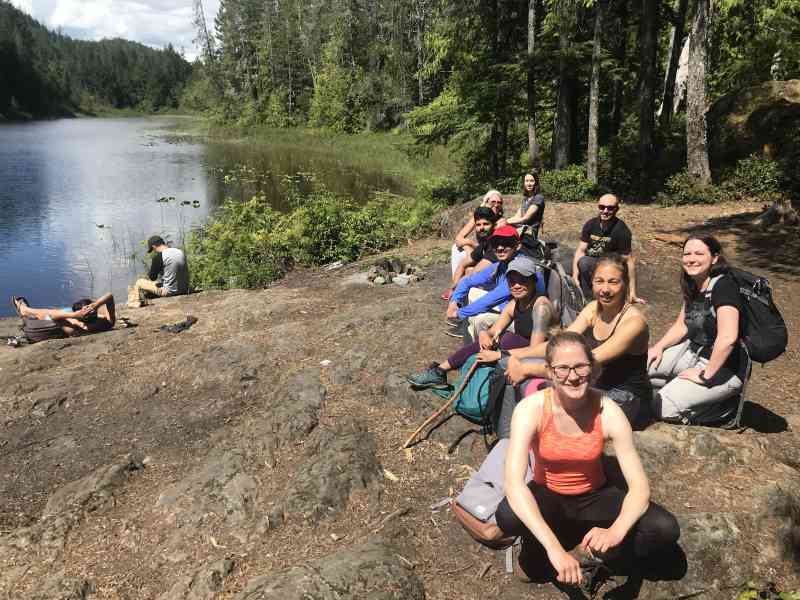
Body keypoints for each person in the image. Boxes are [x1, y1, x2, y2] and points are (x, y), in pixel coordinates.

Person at [495, 331, 680, 586]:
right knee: (507, 515)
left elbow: (639, 488)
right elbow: (514, 484)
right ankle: (549, 544)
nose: (572, 376)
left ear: (592, 368)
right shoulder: (531, 409)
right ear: (549, 371)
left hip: (594, 495)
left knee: (664, 528)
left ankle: (591, 554)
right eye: (563, 368)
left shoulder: (608, 410)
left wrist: (615, 532)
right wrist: (553, 549)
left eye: (581, 366)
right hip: (550, 494)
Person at [506, 254, 651, 424]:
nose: (605, 289)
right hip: (595, 384)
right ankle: (512, 439)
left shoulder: (634, 323)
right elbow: (559, 344)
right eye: (599, 281)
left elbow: (585, 365)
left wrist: (526, 368)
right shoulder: (593, 309)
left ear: (625, 283)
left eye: (613, 282)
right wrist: (511, 354)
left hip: (625, 398)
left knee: (542, 392)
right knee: (527, 379)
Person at [408, 255, 553, 389]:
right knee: (489, 340)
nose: (516, 285)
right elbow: (494, 330)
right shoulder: (515, 303)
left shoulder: (541, 306)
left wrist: (499, 355)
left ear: (534, 281)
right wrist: (484, 334)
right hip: (522, 348)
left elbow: (537, 350)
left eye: (522, 280)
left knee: (508, 340)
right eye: (512, 281)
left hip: (543, 356)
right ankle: (440, 370)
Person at [648, 235, 744, 424]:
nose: (691, 259)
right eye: (687, 254)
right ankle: (684, 390)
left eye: (699, 253)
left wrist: (705, 375)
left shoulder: (724, 286)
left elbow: (728, 337)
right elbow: (683, 324)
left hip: (722, 367)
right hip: (692, 352)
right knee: (635, 369)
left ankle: (724, 408)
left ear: (714, 258)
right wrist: (658, 347)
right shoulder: (694, 282)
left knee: (662, 408)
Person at [446, 225, 544, 340]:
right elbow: (468, 280)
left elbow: (492, 299)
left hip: (525, 321)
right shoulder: (501, 264)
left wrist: (459, 313)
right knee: (471, 292)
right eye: (495, 243)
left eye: (506, 243)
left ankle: (475, 350)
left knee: (480, 320)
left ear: (517, 246)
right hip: (508, 310)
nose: (500, 247)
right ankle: (466, 330)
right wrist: (455, 302)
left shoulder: (519, 267)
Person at [572, 194, 645, 304]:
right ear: (598, 207)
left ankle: (600, 298)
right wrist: (574, 277)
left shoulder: (622, 230)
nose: (605, 211)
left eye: (610, 208)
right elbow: (581, 250)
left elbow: (629, 260)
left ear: (617, 209)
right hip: (592, 262)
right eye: (602, 207)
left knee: (585, 263)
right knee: (580, 263)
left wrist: (632, 292)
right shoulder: (590, 224)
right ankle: (587, 298)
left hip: (610, 266)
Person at [449, 190, 506, 285]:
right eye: (493, 202)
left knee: (469, 270)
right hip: (479, 249)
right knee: (456, 248)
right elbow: (459, 238)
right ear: (486, 202)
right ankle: (454, 285)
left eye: (499, 202)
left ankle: (460, 287)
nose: (496, 205)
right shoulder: (479, 216)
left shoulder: (501, 222)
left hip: (490, 254)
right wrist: (468, 246)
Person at [443, 206, 499, 301]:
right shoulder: (484, 243)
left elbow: (475, 272)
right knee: (467, 269)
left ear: (493, 225)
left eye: (485, 224)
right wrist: (454, 287)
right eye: (478, 225)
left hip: (503, 285)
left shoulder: (497, 242)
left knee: (470, 272)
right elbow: (462, 265)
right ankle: (459, 301)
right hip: (489, 281)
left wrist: (457, 287)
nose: (481, 228)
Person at [12, 293, 116, 341]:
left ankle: (25, 310)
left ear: (79, 317)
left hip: (36, 329)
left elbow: (50, 315)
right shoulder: (107, 323)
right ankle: (26, 310)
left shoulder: (77, 327)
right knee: (60, 312)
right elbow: (109, 296)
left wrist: (74, 315)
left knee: (49, 313)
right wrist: (95, 305)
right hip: (63, 320)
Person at [127, 235, 189, 308]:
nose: (154, 251)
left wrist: (157, 269)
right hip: (185, 289)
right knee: (158, 283)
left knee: (139, 282)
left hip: (170, 292)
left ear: (154, 247)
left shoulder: (159, 257)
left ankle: (134, 302)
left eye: (153, 250)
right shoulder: (179, 251)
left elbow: (152, 277)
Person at [505, 172, 545, 239]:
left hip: (529, 232)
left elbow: (525, 218)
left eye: (531, 181)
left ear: (536, 183)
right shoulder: (525, 199)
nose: (529, 184)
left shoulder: (538, 198)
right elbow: (517, 216)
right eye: (527, 181)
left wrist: (506, 222)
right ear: (524, 183)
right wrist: (504, 221)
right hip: (521, 228)